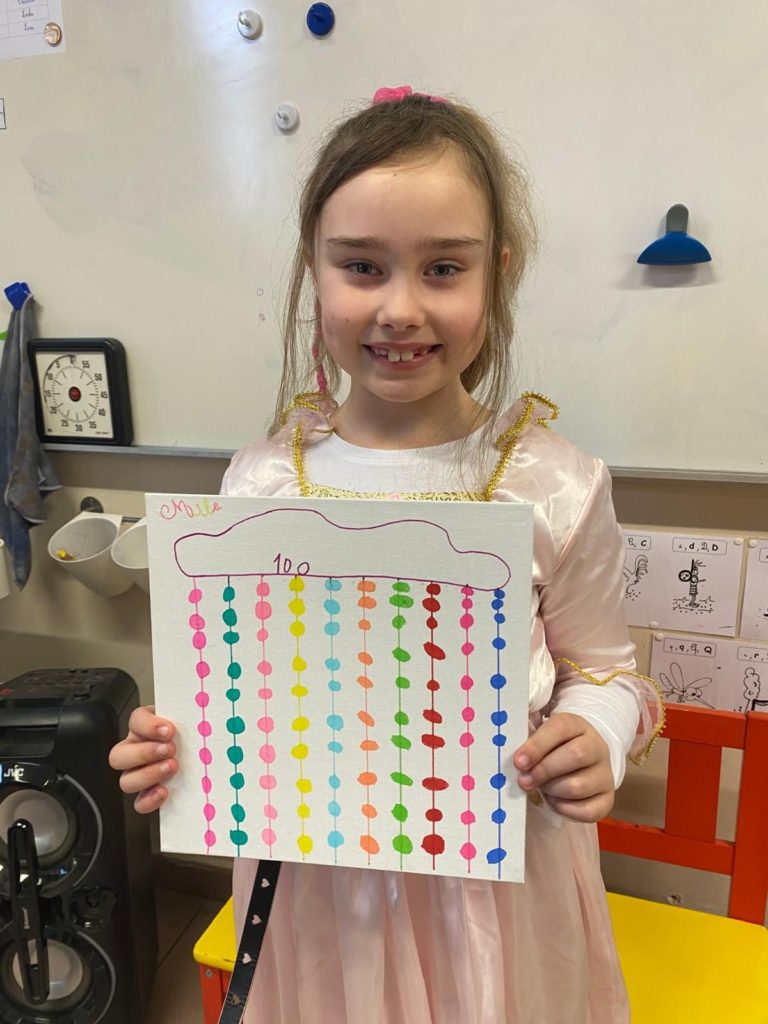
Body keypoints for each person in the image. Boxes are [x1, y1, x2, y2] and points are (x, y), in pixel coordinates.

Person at [109, 86, 663, 1023]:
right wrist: (177, 750)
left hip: (496, 897)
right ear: (315, 271)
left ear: (497, 274)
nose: (400, 309)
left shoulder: (555, 484)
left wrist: (599, 732)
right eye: (362, 266)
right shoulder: (261, 483)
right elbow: (240, 683)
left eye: (443, 268)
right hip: (319, 896)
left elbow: (609, 672)